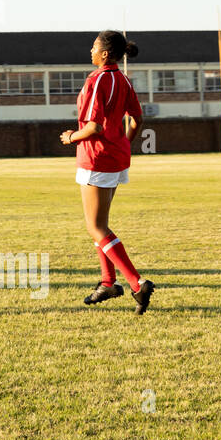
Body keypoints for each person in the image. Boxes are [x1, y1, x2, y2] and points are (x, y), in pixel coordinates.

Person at [61, 31, 155, 314]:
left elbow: (94, 127)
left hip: (96, 158)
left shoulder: (97, 78)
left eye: (93, 47)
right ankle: (108, 282)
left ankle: (136, 283)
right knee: (100, 223)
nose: (89, 50)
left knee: (96, 226)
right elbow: (137, 119)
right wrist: (124, 141)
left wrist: (71, 138)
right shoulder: (123, 79)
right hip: (115, 157)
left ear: (104, 54)